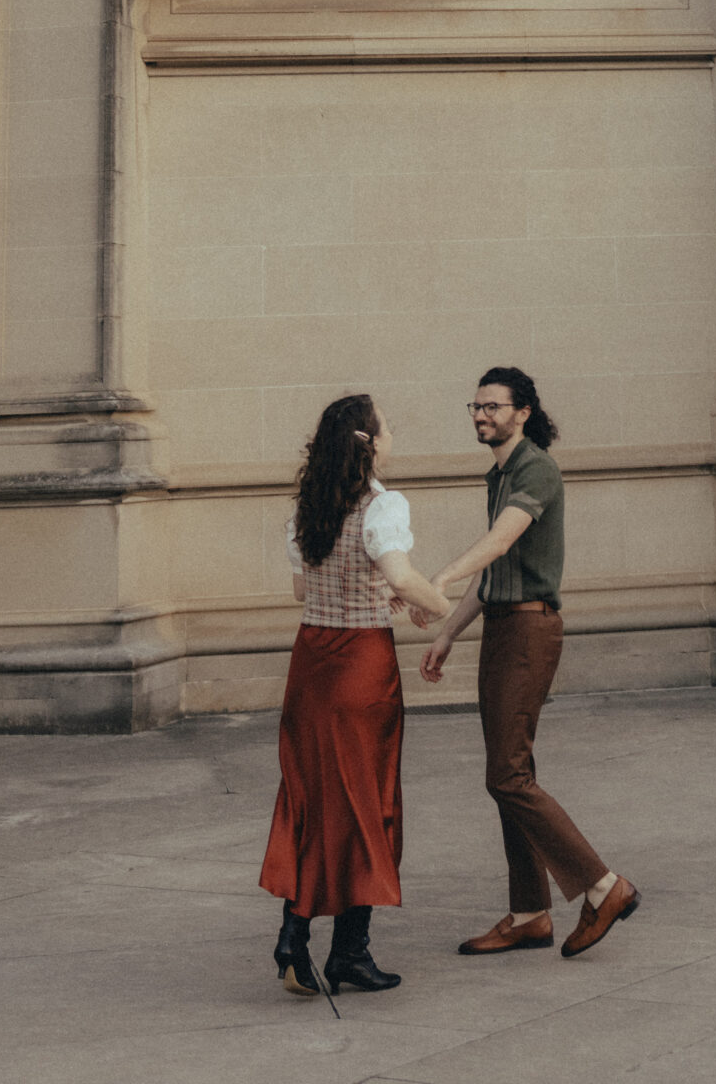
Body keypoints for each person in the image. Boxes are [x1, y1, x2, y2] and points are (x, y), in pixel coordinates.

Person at [421, 367, 639, 960]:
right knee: (509, 772)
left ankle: (603, 886)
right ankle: (529, 914)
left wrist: (439, 578)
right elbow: (496, 568)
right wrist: (448, 634)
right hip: (503, 627)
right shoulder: (500, 473)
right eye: (475, 406)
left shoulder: (536, 468)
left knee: (508, 777)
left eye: (492, 406)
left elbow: (497, 542)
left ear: (522, 412)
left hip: (528, 631)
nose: (480, 415)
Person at [259, 392, 453, 999]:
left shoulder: (310, 507)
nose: (394, 435)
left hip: (311, 664)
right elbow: (400, 575)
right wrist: (445, 609)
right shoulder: (381, 506)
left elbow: (302, 589)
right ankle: (349, 951)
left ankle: (296, 935)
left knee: (311, 798)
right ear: (368, 444)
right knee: (367, 800)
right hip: (360, 668)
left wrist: (371, 589)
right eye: (387, 428)